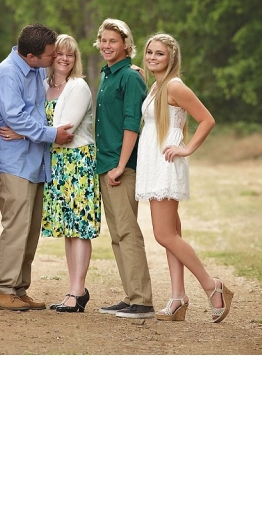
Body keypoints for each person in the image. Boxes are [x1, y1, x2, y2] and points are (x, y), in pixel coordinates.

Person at [135, 32, 234, 322]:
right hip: (155, 162)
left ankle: (212, 285)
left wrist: (187, 148)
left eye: (159, 54)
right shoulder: (157, 86)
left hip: (167, 162)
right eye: (150, 52)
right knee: (172, 235)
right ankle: (178, 298)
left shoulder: (175, 87)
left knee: (163, 234)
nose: (153, 57)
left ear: (172, 58)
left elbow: (207, 119)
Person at [0, 34, 100, 313]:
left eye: (70, 54)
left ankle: (77, 291)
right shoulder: (42, 84)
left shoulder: (77, 87)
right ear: (50, 58)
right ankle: (72, 290)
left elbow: (62, 130)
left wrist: (20, 131)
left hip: (76, 161)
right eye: (59, 54)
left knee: (79, 227)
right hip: (53, 162)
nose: (64, 59)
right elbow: (43, 125)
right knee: (68, 228)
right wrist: (34, 129)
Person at [0, 23, 75, 311]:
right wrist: (50, 134)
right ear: (31, 55)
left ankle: (19, 288)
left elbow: (34, 114)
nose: (54, 58)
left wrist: (30, 131)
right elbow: (14, 117)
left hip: (37, 159)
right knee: (16, 227)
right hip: (15, 162)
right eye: (50, 55)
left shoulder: (37, 69)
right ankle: (4, 290)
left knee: (31, 229)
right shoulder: (7, 74)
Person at [93, 18, 155, 319]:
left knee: (128, 232)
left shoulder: (130, 77)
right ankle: (132, 296)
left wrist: (120, 166)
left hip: (122, 166)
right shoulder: (108, 75)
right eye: (103, 40)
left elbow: (133, 123)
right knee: (117, 234)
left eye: (113, 41)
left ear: (126, 45)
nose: (106, 45)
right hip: (105, 164)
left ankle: (142, 301)